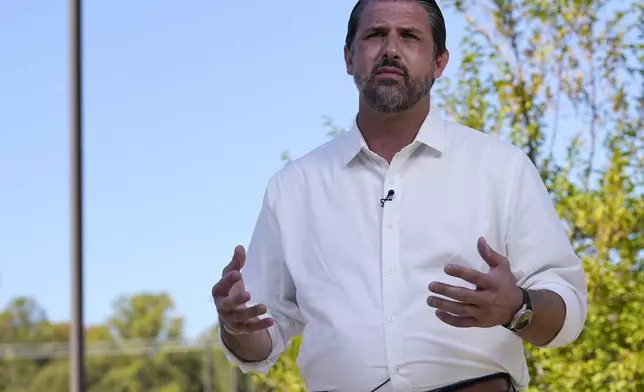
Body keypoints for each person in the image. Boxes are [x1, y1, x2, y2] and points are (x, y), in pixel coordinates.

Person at [211, 0, 588, 391]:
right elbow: (259, 340)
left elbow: (568, 311)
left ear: (439, 62)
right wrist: (236, 325)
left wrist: (518, 308)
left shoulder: (501, 168)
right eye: (375, 34)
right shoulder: (293, 188)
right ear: (348, 57)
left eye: (409, 36)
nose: (391, 48)